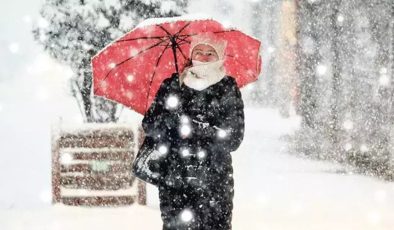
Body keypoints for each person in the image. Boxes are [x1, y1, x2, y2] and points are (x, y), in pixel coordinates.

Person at [141, 32, 245, 230]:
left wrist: (196, 127)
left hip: (215, 181)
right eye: (199, 51)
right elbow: (150, 125)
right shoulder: (172, 85)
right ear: (190, 55)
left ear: (220, 56)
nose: (203, 57)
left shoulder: (227, 88)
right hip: (174, 178)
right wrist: (171, 122)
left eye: (210, 53)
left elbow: (234, 138)